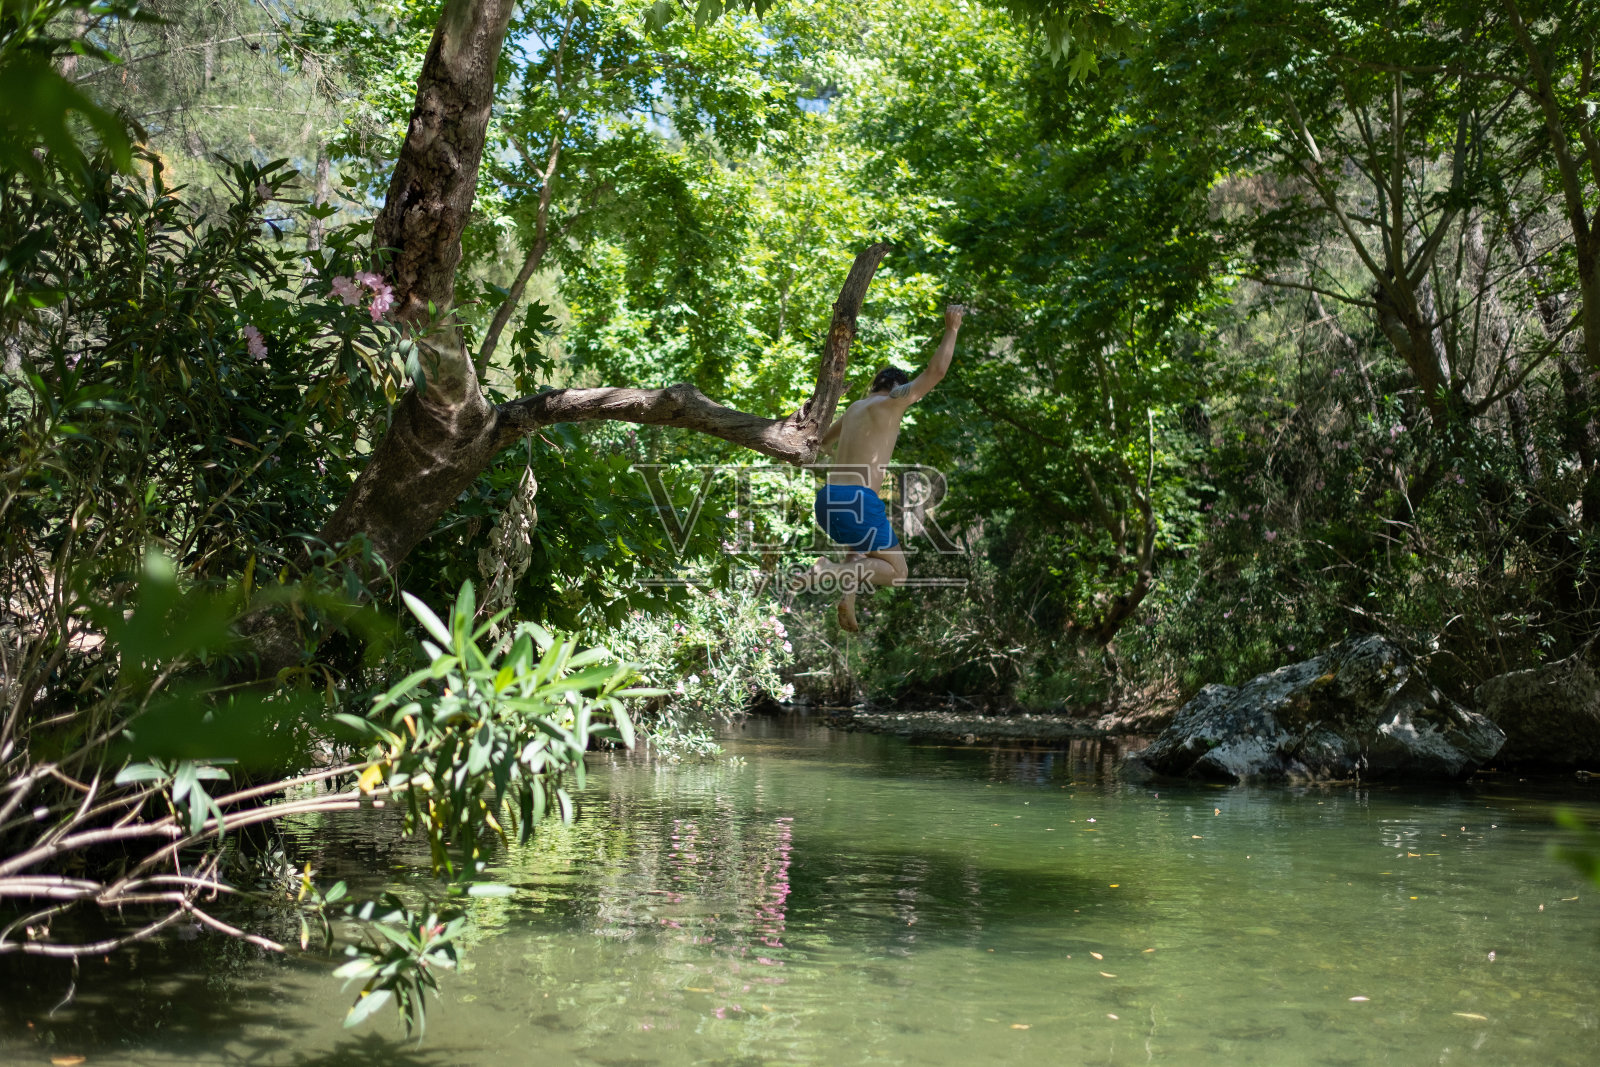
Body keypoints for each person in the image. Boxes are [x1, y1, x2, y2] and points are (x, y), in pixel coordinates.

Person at [798, 304, 965, 631]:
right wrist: (952, 329)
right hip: (857, 503)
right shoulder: (893, 401)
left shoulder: (854, 408)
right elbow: (935, 372)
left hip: (827, 503)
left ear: (874, 385)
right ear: (897, 388)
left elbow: (821, 444)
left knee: (860, 550)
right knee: (898, 573)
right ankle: (827, 570)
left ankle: (847, 598)